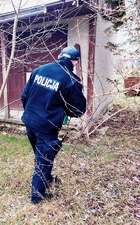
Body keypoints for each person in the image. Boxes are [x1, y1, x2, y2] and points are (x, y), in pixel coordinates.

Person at [21, 46, 86, 204]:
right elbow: (78, 110)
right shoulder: (70, 80)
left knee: (43, 154)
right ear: (74, 62)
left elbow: (24, 96)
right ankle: (37, 196)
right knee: (42, 160)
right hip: (47, 126)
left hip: (30, 121)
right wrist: (63, 111)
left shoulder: (39, 70)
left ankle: (47, 178)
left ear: (59, 56)